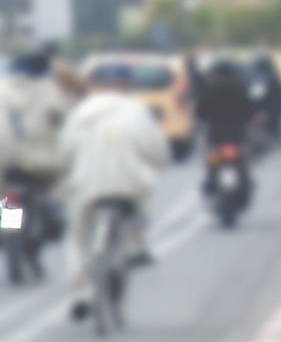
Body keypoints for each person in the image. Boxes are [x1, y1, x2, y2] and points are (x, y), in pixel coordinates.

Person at [57, 63, 169, 319]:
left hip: (23, 169)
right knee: (142, 200)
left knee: (10, 199)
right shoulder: (136, 111)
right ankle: (137, 245)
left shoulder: (77, 109)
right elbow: (156, 152)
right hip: (123, 185)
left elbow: (64, 150)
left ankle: (10, 234)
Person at [0, 48, 73, 281]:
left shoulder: (3, 91)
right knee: (55, 203)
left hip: (7, 166)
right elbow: (63, 123)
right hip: (43, 166)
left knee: (9, 203)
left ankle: (9, 232)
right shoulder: (51, 92)